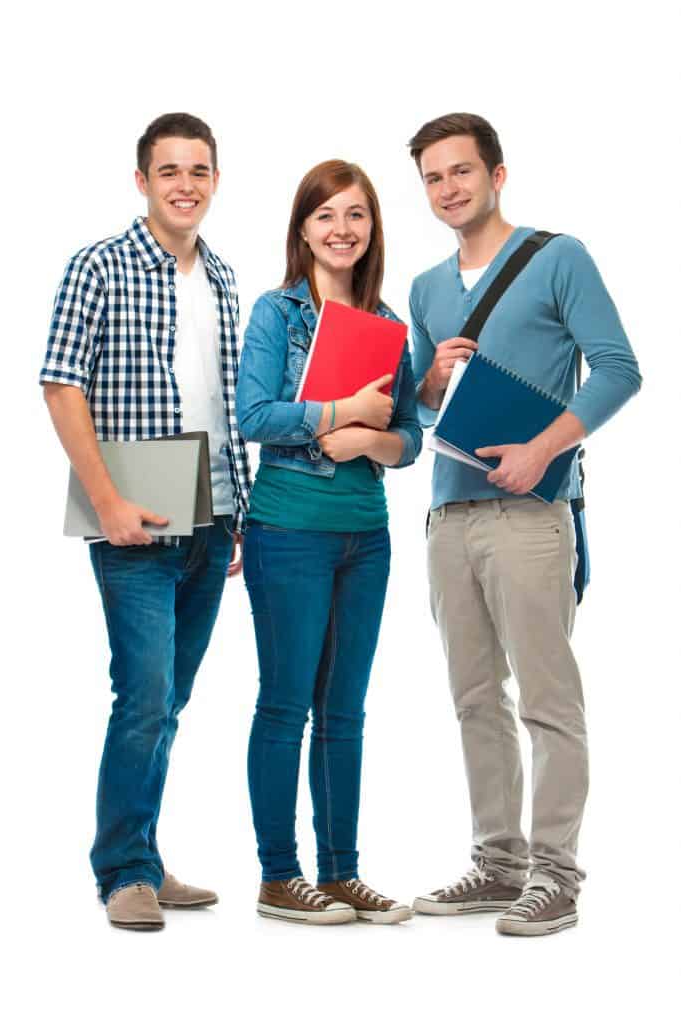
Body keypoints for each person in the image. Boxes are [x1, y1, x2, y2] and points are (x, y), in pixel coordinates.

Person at [407, 113, 641, 936]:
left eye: (462, 171)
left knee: (547, 700)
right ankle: (498, 865)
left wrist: (544, 449)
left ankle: (557, 875)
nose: (449, 188)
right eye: (434, 177)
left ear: (497, 175)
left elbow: (618, 368)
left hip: (531, 513)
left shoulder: (558, 257)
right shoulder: (428, 289)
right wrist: (429, 377)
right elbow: (420, 409)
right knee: (474, 699)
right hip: (448, 513)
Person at [40, 113, 251, 931]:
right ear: (142, 182)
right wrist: (107, 502)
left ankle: (148, 859)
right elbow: (61, 385)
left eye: (200, 170)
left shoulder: (227, 279)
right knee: (144, 693)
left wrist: (238, 510)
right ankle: (122, 870)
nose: (185, 185)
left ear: (215, 181)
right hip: (133, 519)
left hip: (214, 517)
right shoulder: (99, 265)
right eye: (170, 171)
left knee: (170, 700)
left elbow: (226, 402)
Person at [236, 159, 421, 925]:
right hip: (288, 532)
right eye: (326, 216)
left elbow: (409, 436)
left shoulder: (385, 325)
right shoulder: (277, 314)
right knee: (286, 706)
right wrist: (336, 414)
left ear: (371, 229)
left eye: (356, 216)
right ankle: (281, 876)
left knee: (345, 710)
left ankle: (341, 873)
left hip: (365, 538)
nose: (342, 230)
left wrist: (369, 444)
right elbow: (254, 415)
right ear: (302, 229)